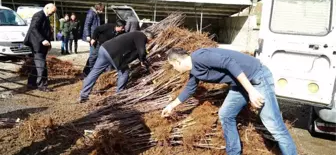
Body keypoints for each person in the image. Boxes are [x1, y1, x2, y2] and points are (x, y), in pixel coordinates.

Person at [161, 48, 297, 155]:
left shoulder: (200, 56)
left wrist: (251, 91)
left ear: (178, 62)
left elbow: (229, 63)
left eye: (173, 66)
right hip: (240, 83)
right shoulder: (195, 71)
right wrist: (171, 106)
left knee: (273, 124)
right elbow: (189, 89)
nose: (174, 69)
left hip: (256, 77)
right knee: (225, 114)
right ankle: (233, 152)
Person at [79, 31, 154, 103]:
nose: (148, 42)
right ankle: (119, 95)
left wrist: (142, 59)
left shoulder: (134, 34)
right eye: (150, 40)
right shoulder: (141, 36)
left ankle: (84, 95)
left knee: (95, 71)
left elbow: (138, 52)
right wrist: (142, 60)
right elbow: (142, 51)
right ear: (148, 37)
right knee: (124, 72)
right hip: (113, 53)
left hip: (104, 48)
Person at [23, 3, 57, 92]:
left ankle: (31, 83)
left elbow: (46, 31)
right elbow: (33, 28)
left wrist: (49, 43)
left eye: (54, 12)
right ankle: (42, 85)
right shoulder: (38, 15)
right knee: (41, 65)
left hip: (42, 44)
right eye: (52, 11)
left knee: (35, 64)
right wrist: (42, 40)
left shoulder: (45, 16)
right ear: (47, 8)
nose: (53, 13)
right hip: (36, 44)